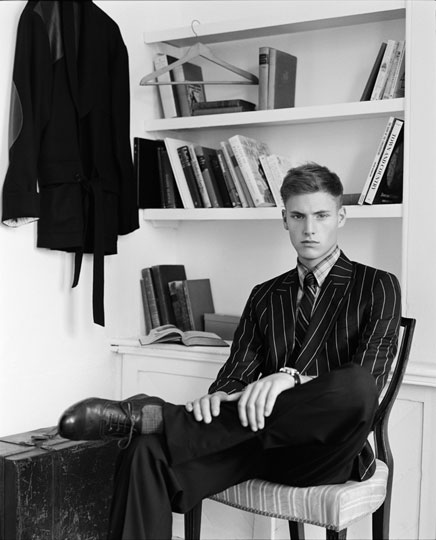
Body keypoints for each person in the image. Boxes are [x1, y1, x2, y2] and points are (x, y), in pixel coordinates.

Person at [58, 163, 402, 540]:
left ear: (341, 216)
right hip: (256, 442)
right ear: (284, 219)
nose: (309, 228)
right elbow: (237, 375)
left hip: (327, 451)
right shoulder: (265, 294)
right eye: (298, 216)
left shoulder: (377, 285)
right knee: (146, 450)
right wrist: (220, 396)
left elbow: (370, 384)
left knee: (356, 386)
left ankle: (161, 417)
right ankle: (160, 424)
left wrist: (289, 378)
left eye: (321, 215)